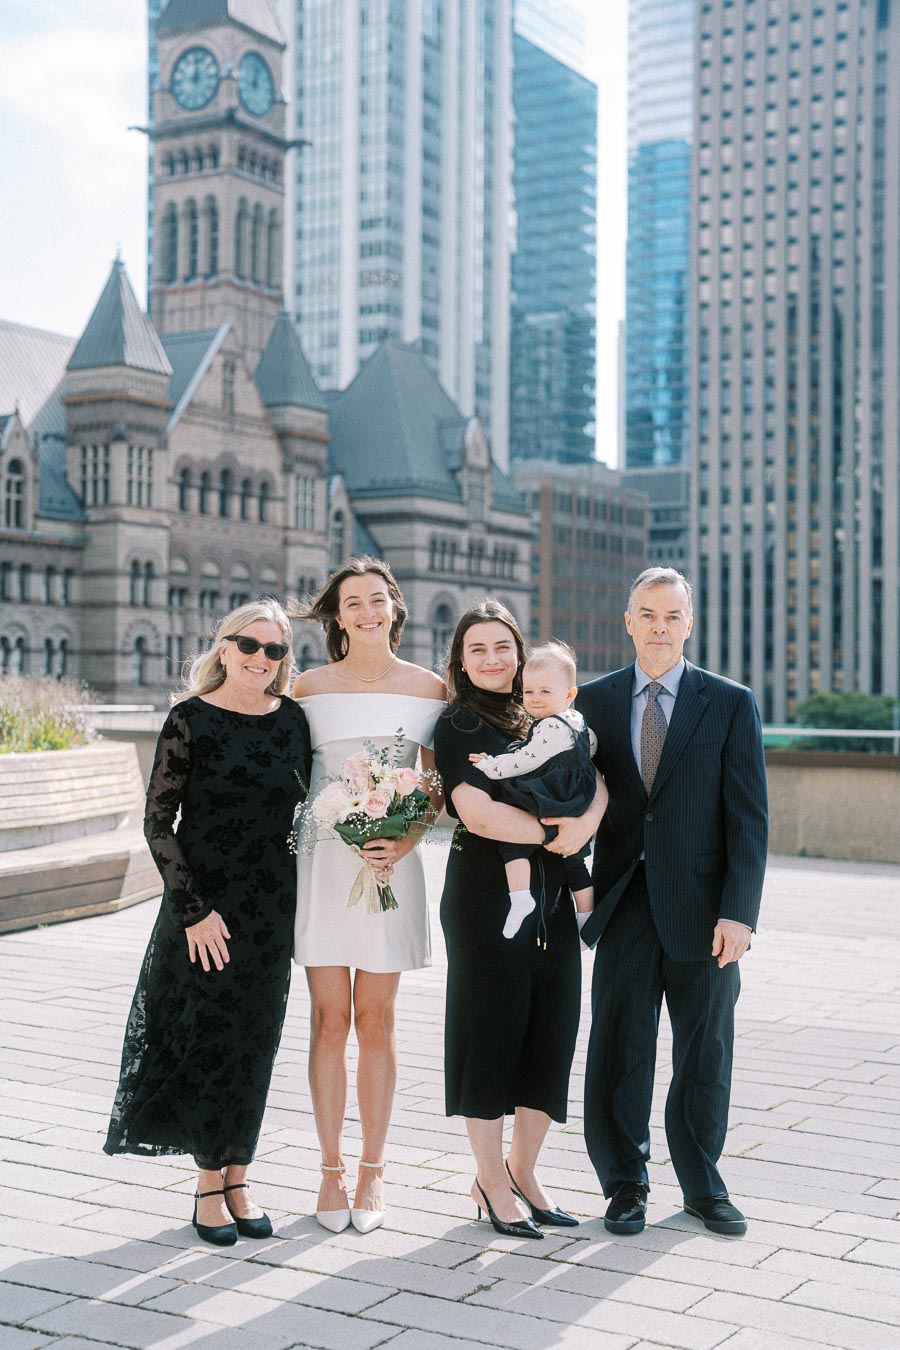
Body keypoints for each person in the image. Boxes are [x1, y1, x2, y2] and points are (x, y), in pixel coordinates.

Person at [105, 600, 312, 1246]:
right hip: (205, 910)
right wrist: (192, 911)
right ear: (224, 648)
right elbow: (157, 822)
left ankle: (241, 1175)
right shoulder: (189, 720)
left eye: (274, 650)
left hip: (271, 909)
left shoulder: (295, 722)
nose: (260, 659)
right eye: (248, 645)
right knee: (208, 1041)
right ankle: (208, 1186)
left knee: (257, 1041)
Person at [576, 566, 768, 1238]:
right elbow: (568, 801)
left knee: (705, 1052)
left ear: (690, 624)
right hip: (624, 903)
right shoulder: (591, 703)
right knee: (620, 1048)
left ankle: (701, 1185)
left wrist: (740, 913)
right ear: (628, 621)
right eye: (648, 614)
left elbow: (750, 819)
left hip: (707, 912)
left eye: (673, 616)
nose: (660, 627)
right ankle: (625, 1186)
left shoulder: (730, 702)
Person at [433, 602, 607, 1238]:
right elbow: (477, 813)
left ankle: (525, 1172)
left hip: (554, 897)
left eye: (502, 646)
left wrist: (585, 822)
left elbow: (593, 774)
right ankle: (489, 1180)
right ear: (461, 658)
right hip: (487, 899)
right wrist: (552, 830)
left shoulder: (546, 711)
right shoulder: (457, 724)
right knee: (491, 1033)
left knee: (552, 1031)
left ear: (520, 651)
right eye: (477, 648)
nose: (492, 659)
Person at [291, 557, 445, 1234]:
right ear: (337, 615)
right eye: (353, 603)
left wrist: (406, 837)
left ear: (395, 607)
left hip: (392, 861)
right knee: (329, 1021)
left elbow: (436, 787)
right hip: (324, 864)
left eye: (377, 600)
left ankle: (373, 1172)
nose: (366, 612)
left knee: (376, 1022)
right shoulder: (308, 686)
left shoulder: (430, 689)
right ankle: (329, 1171)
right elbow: (291, 778)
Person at [469, 640, 597, 939]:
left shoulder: (549, 727)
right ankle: (588, 923)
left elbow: (525, 760)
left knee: (512, 843)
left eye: (545, 692)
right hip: (575, 797)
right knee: (577, 865)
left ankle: (521, 897)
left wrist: (491, 765)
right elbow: (591, 746)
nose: (535, 699)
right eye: (529, 691)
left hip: (552, 798)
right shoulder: (577, 720)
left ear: (569, 694)